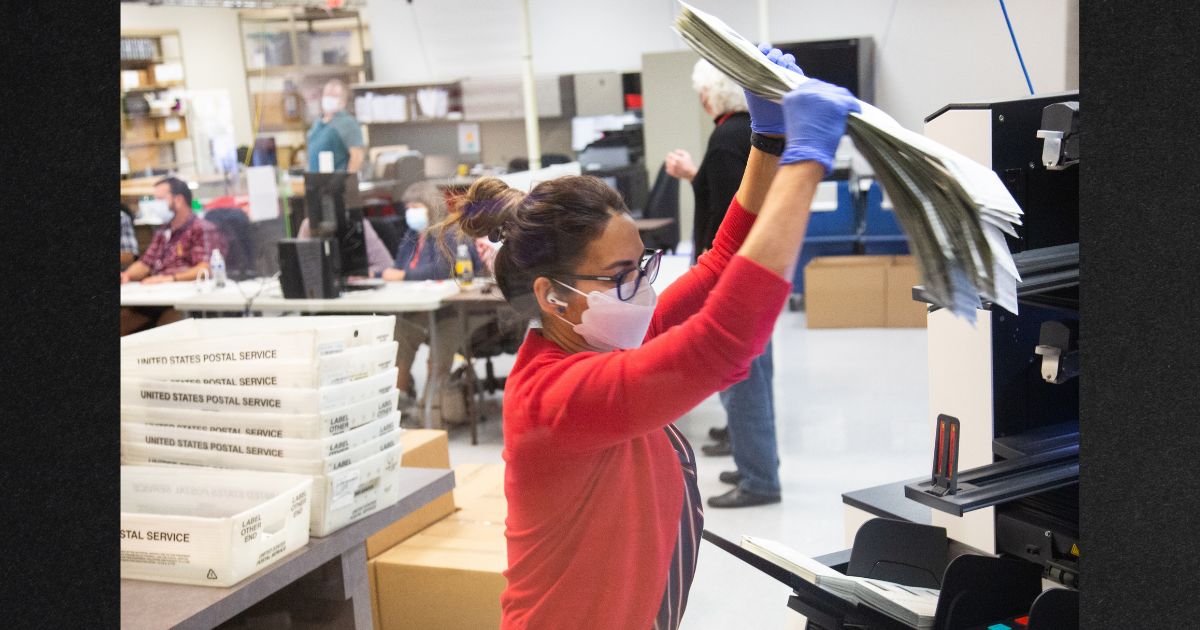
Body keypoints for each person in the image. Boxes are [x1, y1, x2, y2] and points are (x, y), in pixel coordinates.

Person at [440, 46, 860, 629]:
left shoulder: (607, 338)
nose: (640, 289)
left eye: (643, 266)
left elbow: (717, 268)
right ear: (551, 296)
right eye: (620, 276)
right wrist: (807, 162)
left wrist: (767, 141)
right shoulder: (555, 399)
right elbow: (723, 343)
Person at [665, 57, 784, 508]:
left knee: (745, 381)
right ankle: (758, 463)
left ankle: (759, 480)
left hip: (736, 281)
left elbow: (733, 217)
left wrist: (712, 280)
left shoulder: (726, 138)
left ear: (715, 94)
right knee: (753, 377)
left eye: (702, 91)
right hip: (754, 275)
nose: (700, 99)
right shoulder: (742, 138)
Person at [381, 181, 484, 424]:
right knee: (399, 335)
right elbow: (397, 267)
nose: (410, 212)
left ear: (430, 207)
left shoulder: (451, 232)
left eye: (415, 206)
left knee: (440, 348)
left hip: (457, 309)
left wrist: (403, 276)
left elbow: (443, 269)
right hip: (421, 308)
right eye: (407, 207)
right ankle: (399, 401)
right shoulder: (411, 235)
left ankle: (431, 409)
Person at [120, 177, 225, 335]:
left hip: (181, 302)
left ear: (178, 200)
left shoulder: (201, 228)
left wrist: (169, 278)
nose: (155, 205)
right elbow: (145, 263)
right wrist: (127, 275)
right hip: (154, 299)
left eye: (160, 199)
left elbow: (205, 268)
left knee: (167, 330)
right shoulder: (163, 231)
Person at [296, 216, 394, 278]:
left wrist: (361, 275)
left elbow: (386, 265)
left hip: (359, 294)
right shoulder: (308, 226)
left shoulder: (359, 224)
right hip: (320, 293)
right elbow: (298, 268)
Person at [306, 79, 364, 174]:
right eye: (327, 95)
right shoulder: (318, 123)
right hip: (316, 183)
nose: (329, 98)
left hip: (337, 184)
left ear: (343, 101)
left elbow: (357, 157)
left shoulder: (347, 123)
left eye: (334, 96)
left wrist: (347, 181)